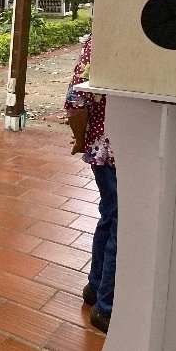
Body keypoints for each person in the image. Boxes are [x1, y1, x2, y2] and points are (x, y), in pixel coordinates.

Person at [65, 34, 116, 334]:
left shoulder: (99, 39)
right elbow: (75, 98)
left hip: (100, 148)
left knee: (110, 216)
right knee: (120, 223)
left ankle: (95, 288)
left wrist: (83, 138)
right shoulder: (134, 41)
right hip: (121, 151)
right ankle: (106, 308)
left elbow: (75, 100)